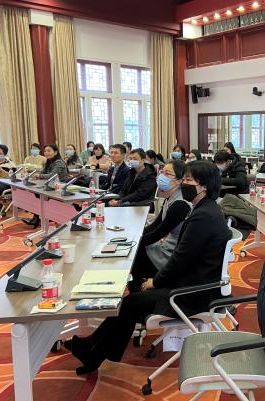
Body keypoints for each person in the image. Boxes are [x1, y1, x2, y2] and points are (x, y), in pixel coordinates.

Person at [64, 160, 231, 374]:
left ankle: (93, 353)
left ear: (204, 186)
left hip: (193, 293)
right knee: (132, 301)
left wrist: (156, 282)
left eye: (189, 180)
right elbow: (183, 258)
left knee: (131, 303)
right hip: (194, 282)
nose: (184, 184)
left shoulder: (202, 216)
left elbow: (181, 260)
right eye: (184, 179)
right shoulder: (205, 209)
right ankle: (92, 350)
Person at [130, 160, 192, 282]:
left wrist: (134, 243)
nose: (162, 176)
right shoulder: (170, 197)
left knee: (137, 252)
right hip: (167, 244)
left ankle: (139, 286)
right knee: (138, 247)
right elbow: (155, 225)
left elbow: (158, 233)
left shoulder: (180, 204)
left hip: (174, 252)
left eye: (167, 174)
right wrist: (135, 236)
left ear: (179, 180)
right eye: (162, 172)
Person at [22, 144, 68, 227]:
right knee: (35, 192)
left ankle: (40, 218)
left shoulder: (59, 162)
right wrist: (35, 175)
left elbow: (51, 175)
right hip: (51, 186)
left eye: (49, 151)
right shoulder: (49, 161)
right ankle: (38, 218)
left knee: (38, 194)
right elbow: (43, 173)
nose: (46, 153)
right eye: (45, 151)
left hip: (60, 187)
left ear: (55, 152)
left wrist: (38, 176)